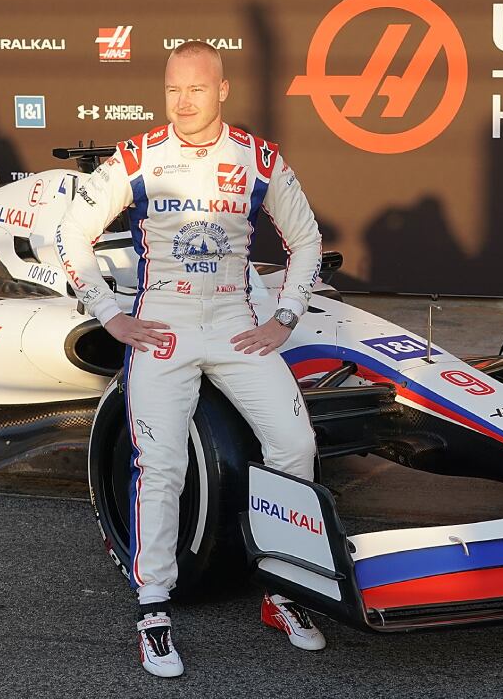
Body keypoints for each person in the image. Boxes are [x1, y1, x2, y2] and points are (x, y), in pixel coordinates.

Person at [53, 40, 325, 678]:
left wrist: (284, 317)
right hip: (164, 328)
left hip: (235, 324)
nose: (183, 101)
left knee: (295, 444)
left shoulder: (258, 158)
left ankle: (283, 590)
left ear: (222, 90)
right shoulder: (138, 155)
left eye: (197, 89)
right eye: (174, 89)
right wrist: (109, 313)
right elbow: (69, 232)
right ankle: (153, 610)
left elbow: (307, 240)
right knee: (162, 465)